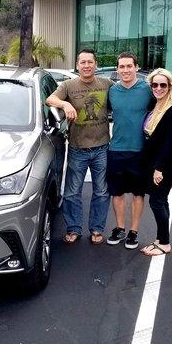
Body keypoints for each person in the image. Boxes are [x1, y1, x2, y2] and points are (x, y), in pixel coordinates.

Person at [46, 49, 113, 244]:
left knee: (101, 192)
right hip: (77, 148)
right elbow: (50, 99)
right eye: (82, 62)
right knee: (72, 192)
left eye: (90, 62)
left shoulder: (106, 84)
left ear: (96, 64)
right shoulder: (68, 85)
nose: (86, 65)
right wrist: (65, 105)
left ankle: (97, 229)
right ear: (77, 65)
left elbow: (122, 97)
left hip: (102, 148)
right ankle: (74, 228)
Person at [106, 52, 154, 249]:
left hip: (140, 151)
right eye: (122, 67)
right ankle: (120, 228)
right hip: (116, 149)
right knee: (116, 193)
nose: (125, 70)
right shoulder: (112, 91)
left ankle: (133, 231)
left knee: (137, 194)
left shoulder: (148, 90)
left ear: (136, 67)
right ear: (117, 70)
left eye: (129, 66)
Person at [140, 69, 172, 256]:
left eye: (163, 85)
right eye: (154, 84)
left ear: (170, 86)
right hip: (157, 161)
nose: (158, 88)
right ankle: (161, 238)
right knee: (161, 199)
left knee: (156, 201)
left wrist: (159, 168)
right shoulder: (157, 105)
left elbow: (171, 142)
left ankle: (164, 243)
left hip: (166, 163)